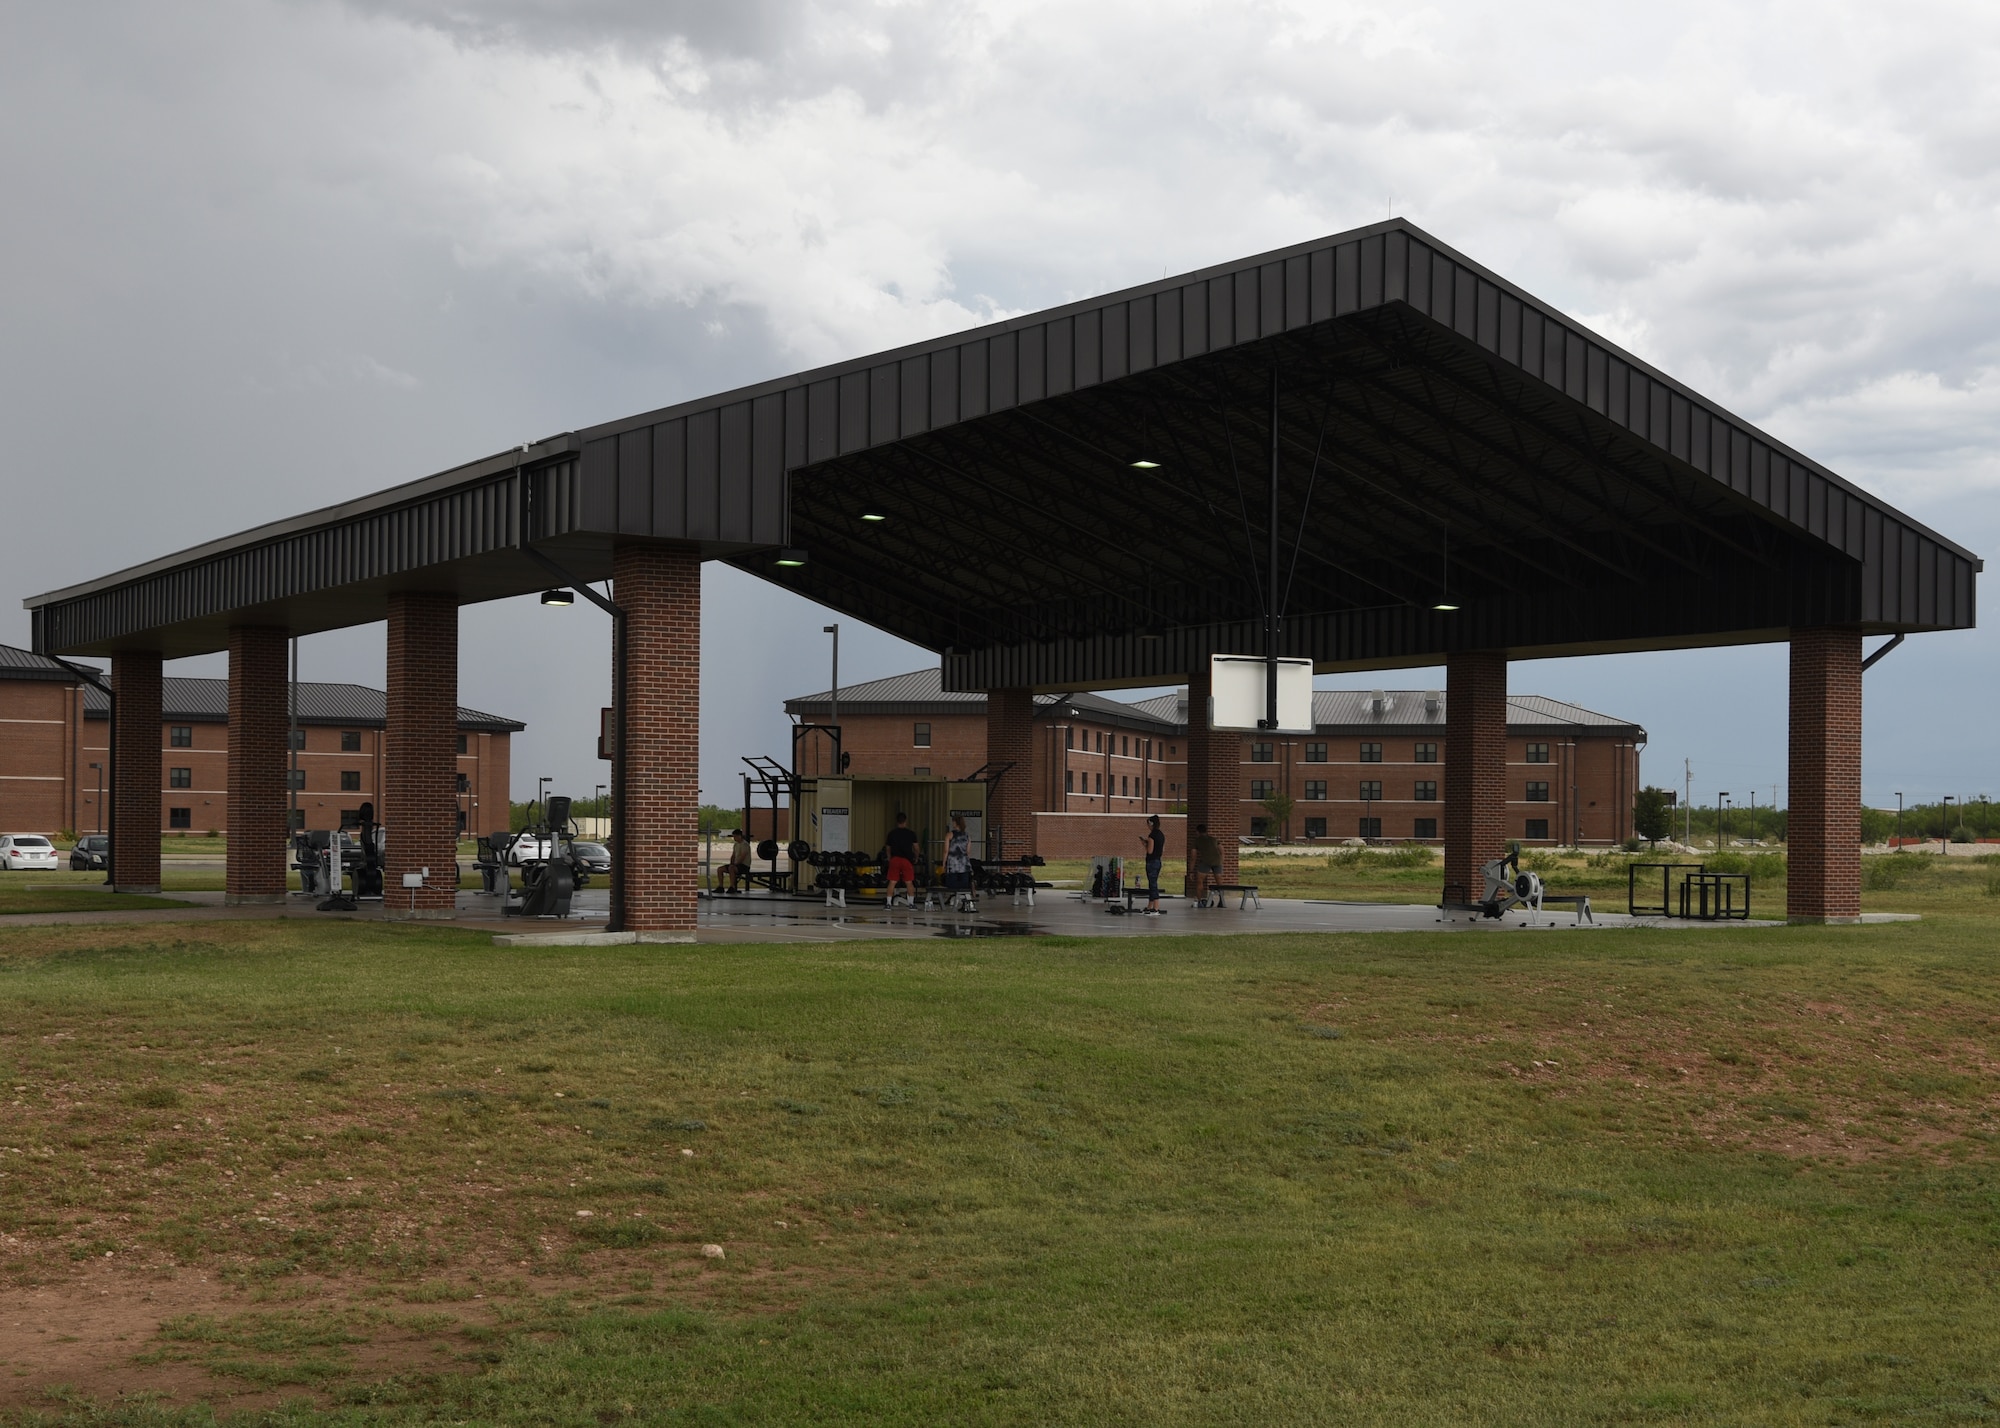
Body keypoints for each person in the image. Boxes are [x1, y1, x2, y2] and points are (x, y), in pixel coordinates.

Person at [884, 812, 921, 906]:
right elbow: (916, 848)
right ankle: (911, 904)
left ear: (897, 822)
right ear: (905, 821)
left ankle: (888, 903)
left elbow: (888, 848)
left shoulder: (892, 833)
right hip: (906, 860)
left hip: (895, 859)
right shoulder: (911, 834)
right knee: (909, 882)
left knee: (892, 882)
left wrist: (889, 858)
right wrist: (916, 857)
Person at [1189, 822, 1223, 907]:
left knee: (1199, 881)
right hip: (1217, 861)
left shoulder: (1197, 841)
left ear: (1197, 832)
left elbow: (1193, 857)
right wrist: (1221, 861)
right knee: (1219, 883)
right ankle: (1222, 901)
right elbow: (1222, 851)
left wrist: (1191, 871)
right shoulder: (1214, 839)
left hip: (1205, 862)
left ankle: (1199, 901)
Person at [1139, 814, 1167, 914]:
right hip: (1158, 861)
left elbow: (1150, 851)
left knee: (1153, 884)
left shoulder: (1152, 836)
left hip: (1151, 862)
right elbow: (1161, 849)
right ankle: (1150, 906)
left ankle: (1156, 907)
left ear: (1151, 824)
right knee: (1152, 883)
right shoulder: (1161, 835)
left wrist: (1145, 845)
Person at [944, 814, 973, 908]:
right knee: (964, 885)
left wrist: (943, 863)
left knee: (950, 884)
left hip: (953, 864)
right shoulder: (967, 836)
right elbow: (968, 852)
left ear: (955, 822)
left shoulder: (949, 835)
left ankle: (956, 898)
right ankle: (965, 899)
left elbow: (946, 851)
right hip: (964, 865)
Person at [723, 828, 752, 893]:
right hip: (735, 865)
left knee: (731, 868)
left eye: (735, 836)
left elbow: (742, 857)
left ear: (739, 836)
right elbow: (733, 855)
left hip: (744, 866)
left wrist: (734, 864)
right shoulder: (736, 844)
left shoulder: (745, 845)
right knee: (720, 869)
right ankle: (720, 886)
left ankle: (732, 887)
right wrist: (731, 863)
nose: (734, 838)